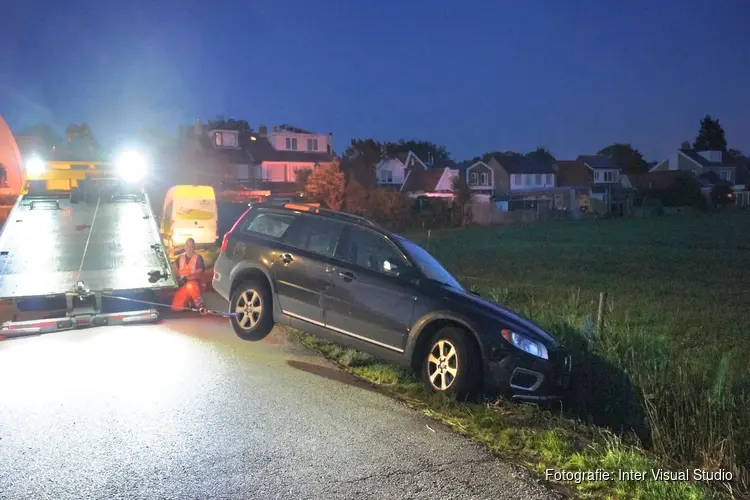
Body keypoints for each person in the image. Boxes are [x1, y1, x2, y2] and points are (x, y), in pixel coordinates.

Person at [171, 238, 206, 312]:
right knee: (176, 307)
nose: (189, 248)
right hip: (183, 284)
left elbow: (199, 274)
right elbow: (173, 268)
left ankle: (200, 305)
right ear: (185, 247)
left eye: (191, 246)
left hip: (196, 285)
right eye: (188, 246)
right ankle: (189, 303)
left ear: (194, 247)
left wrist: (187, 278)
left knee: (190, 286)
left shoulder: (198, 258)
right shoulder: (180, 257)